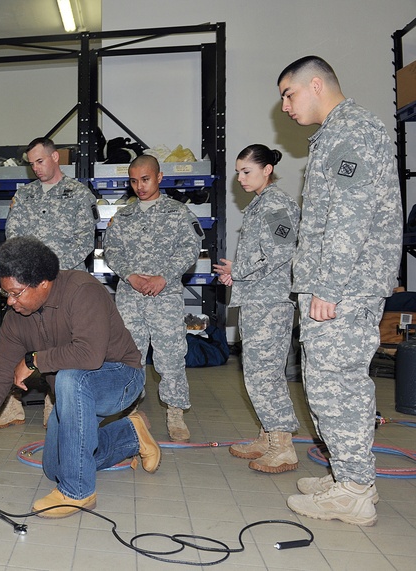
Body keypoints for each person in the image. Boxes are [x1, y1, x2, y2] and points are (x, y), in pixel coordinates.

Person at [0, 237, 160, 517]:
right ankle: (131, 435)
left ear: (43, 283)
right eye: (5, 292)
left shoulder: (83, 290)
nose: (10, 300)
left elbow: (89, 355)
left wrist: (34, 360)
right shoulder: (16, 317)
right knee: (54, 467)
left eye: (17, 293)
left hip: (120, 378)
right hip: (74, 393)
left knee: (70, 377)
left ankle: (77, 492)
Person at [277, 56, 402, 526]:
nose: (285, 106)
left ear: (315, 84)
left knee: (338, 385)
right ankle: (349, 477)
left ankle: (352, 492)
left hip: (343, 288)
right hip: (338, 285)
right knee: (327, 384)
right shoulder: (335, 134)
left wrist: (327, 286)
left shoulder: (352, 132)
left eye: (289, 94)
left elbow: (350, 218)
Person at [0, 136, 99, 429]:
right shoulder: (25, 196)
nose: (36, 168)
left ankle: (55, 407)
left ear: (56, 158)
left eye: (40, 161)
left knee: (59, 346)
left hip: (62, 286)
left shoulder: (79, 194)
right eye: (31, 164)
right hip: (26, 288)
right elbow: (12, 236)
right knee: (15, 345)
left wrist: (48, 273)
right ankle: (11, 405)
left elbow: (85, 242)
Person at [213, 145, 301, 473]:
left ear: (267, 170)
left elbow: (280, 250)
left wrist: (240, 269)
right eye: (238, 172)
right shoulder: (260, 204)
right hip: (257, 299)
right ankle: (267, 435)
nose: (240, 178)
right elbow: (264, 256)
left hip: (270, 302)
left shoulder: (276, 204)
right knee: (258, 372)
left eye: (246, 171)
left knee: (265, 374)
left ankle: (283, 446)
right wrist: (237, 271)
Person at [103, 155, 202, 442]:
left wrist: (164, 277)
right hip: (130, 298)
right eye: (133, 181)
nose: (139, 186)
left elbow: (189, 249)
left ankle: (175, 413)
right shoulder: (123, 216)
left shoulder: (179, 213)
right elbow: (112, 251)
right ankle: (131, 410)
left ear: (159, 177)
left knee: (170, 356)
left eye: (145, 179)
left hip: (165, 297)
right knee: (129, 356)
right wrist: (130, 276)